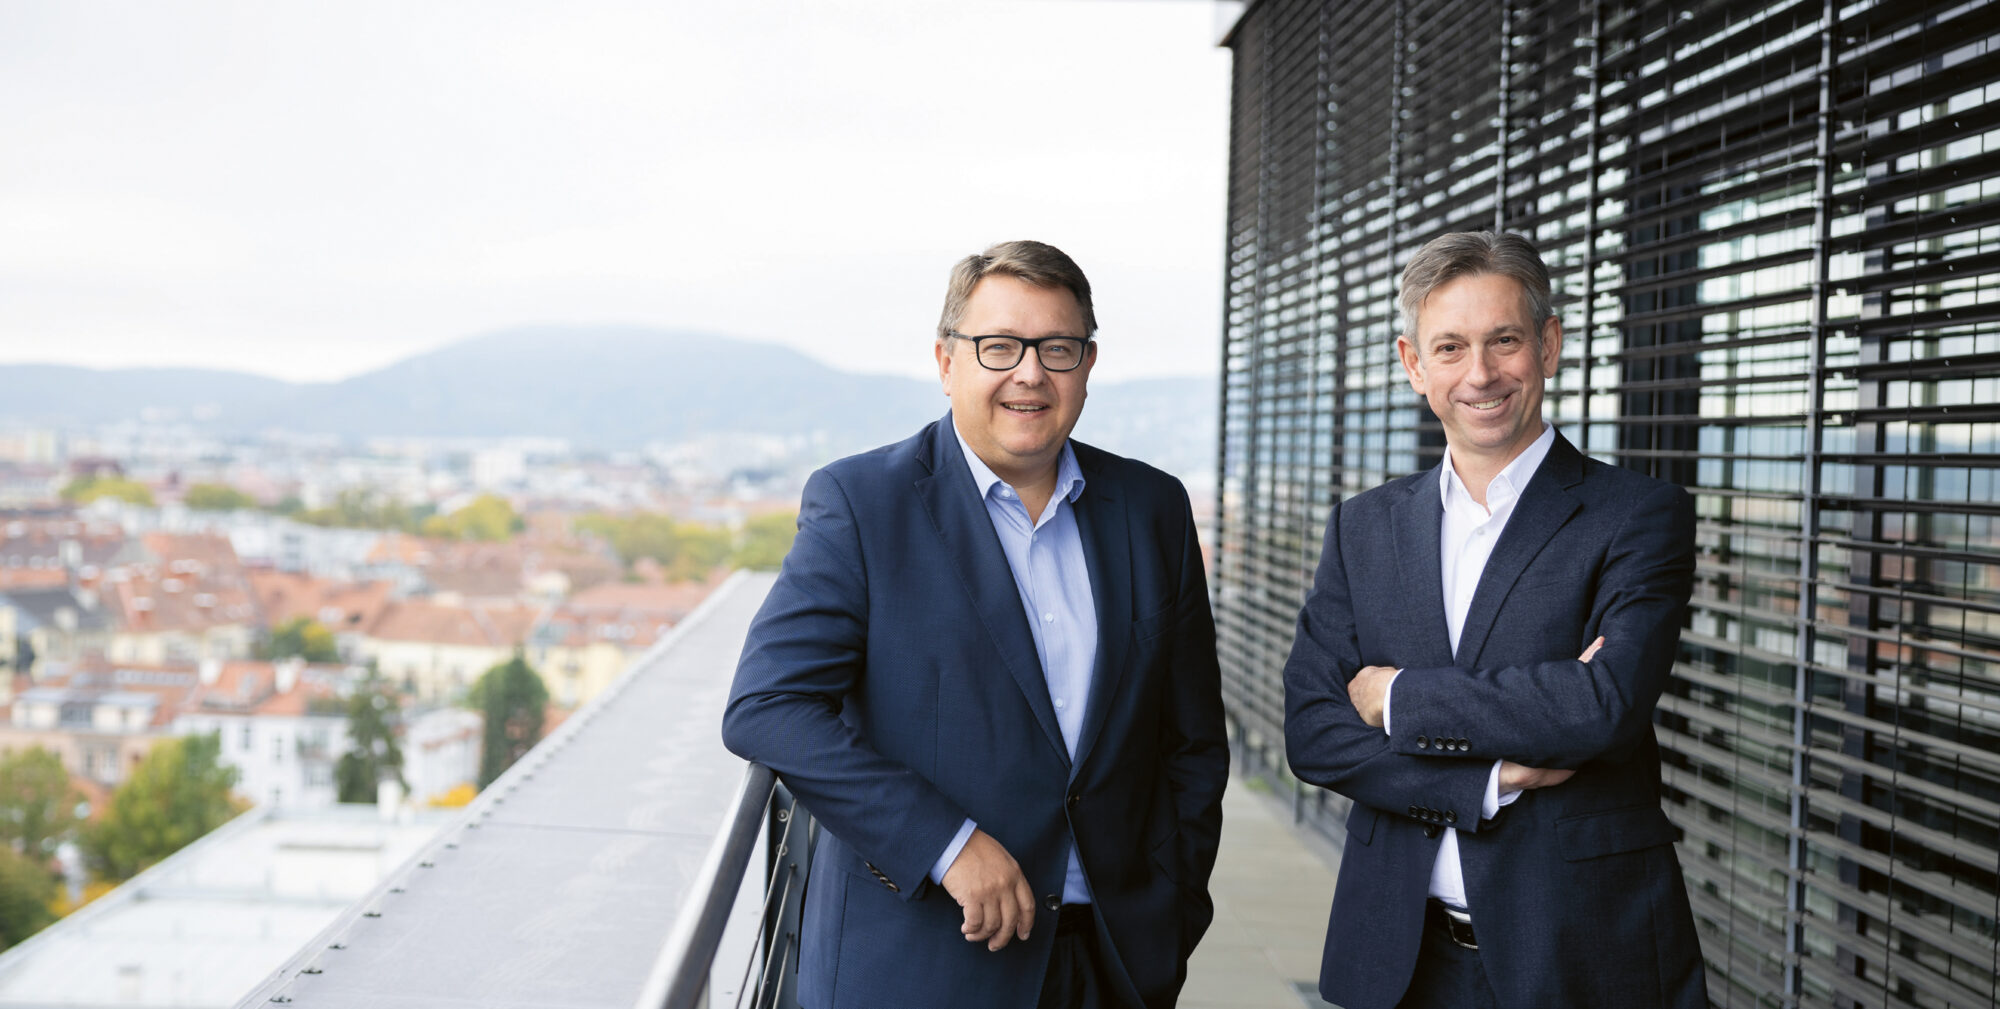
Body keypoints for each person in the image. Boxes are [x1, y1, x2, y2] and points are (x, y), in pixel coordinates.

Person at [722, 240, 1228, 1009]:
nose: (1030, 373)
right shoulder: (863, 504)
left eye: (1057, 348)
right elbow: (768, 707)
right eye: (999, 346)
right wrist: (947, 843)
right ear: (947, 359)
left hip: (1113, 961)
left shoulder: (1152, 508)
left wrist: (1173, 901)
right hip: (922, 962)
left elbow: (1190, 738)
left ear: (1087, 364)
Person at [1282, 231, 1708, 1009]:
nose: (1480, 374)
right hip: (1403, 960)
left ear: (1547, 345)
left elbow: (1600, 706)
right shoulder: (1363, 528)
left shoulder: (1638, 517)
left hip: (1581, 952)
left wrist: (1400, 698)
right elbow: (1313, 730)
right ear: (1414, 364)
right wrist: (1488, 777)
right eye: (1450, 347)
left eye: (1503, 340)